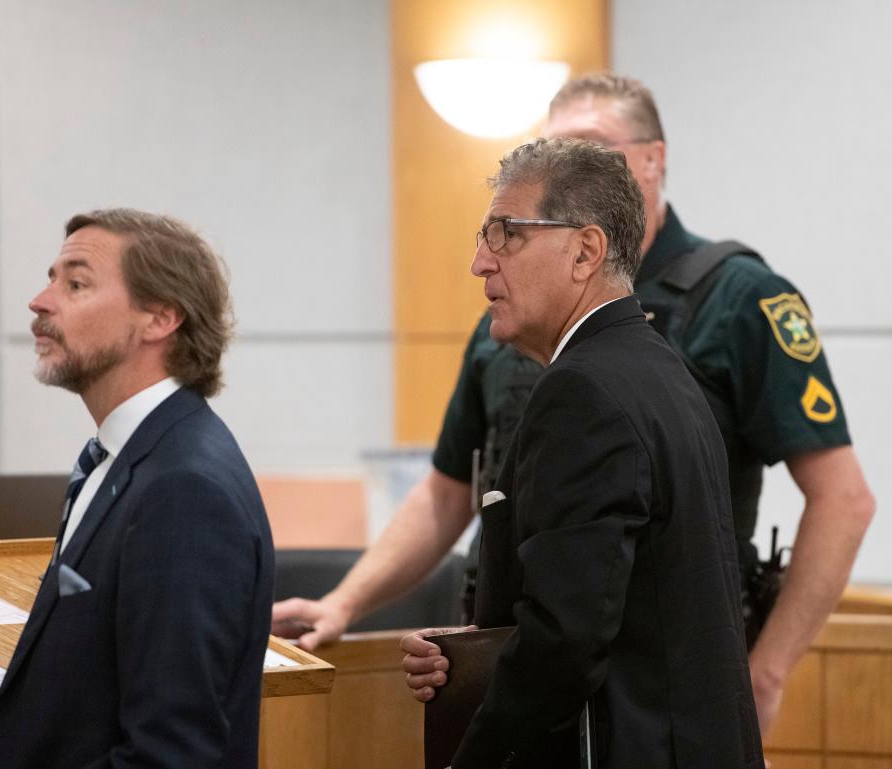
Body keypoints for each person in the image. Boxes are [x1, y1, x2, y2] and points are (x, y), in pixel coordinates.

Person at [273, 75, 875, 732]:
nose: (568, 166)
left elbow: (843, 498)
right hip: (516, 662)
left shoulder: (739, 299)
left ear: (653, 159)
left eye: (590, 147)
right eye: (552, 148)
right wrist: (345, 601)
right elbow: (449, 493)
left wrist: (766, 670)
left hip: (644, 687)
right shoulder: (510, 311)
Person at [409, 137, 764, 768]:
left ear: (584, 251)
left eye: (505, 234)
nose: (480, 263)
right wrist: (471, 662)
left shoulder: (583, 392)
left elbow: (565, 642)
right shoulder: (658, 369)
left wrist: (471, 759)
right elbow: (624, 608)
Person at [0, 209, 275, 769]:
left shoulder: (185, 491)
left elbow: (171, 752)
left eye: (76, 283)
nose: (40, 301)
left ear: (160, 318)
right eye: (52, 279)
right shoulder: (122, 455)